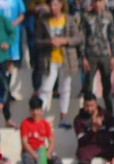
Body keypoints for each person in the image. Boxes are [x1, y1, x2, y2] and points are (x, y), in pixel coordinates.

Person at [34, 0, 81, 129]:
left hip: (66, 59)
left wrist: (64, 40)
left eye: (55, 4)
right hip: (49, 59)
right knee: (46, 88)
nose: (53, 8)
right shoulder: (43, 20)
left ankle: (63, 118)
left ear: (61, 5)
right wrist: (49, 42)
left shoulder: (69, 19)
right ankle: (38, 117)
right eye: (51, 5)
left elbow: (78, 38)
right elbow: (37, 40)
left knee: (65, 89)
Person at [80, 0, 114, 115]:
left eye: (100, 2)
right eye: (95, 2)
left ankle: (109, 113)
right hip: (91, 55)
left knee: (107, 85)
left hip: (105, 54)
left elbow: (112, 35)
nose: (97, 4)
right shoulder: (86, 16)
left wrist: (113, 56)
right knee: (88, 85)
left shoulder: (109, 16)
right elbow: (83, 37)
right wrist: (83, 57)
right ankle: (87, 112)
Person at [20, 96, 62, 164]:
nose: (35, 112)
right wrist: (35, 155)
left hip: (42, 151)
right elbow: (25, 143)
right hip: (29, 152)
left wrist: (48, 153)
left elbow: (51, 141)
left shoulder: (45, 124)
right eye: (33, 110)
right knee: (27, 161)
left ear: (41, 111)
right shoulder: (25, 123)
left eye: (38, 110)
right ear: (30, 110)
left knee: (58, 163)